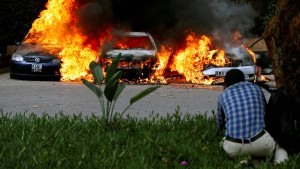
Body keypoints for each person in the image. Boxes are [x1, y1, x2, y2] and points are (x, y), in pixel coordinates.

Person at [215, 69, 288, 164]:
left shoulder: (223, 96)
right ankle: (279, 163)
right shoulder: (256, 89)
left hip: (234, 147)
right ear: (243, 80)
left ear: (226, 85)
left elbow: (219, 125)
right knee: (279, 145)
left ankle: (245, 160)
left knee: (224, 142)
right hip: (260, 143)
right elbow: (265, 113)